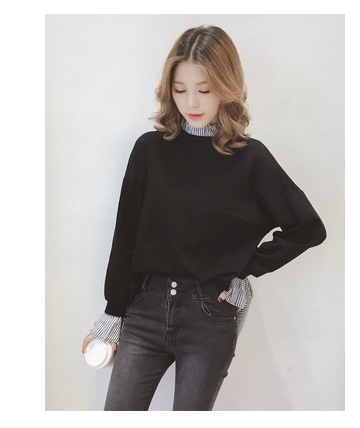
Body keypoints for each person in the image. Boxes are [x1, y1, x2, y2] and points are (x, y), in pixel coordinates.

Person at [81, 25, 327, 411]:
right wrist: (113, 313)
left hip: (209, 316)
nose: (191, 102)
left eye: (205, 89)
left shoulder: (251, 159)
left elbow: (308, 228)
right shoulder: (149, 150)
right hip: (145, 309)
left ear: (227, 86)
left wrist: (247, 271)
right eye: (180, 90)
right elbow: (125, 235)